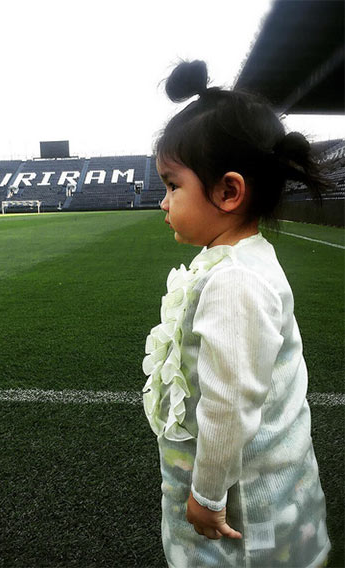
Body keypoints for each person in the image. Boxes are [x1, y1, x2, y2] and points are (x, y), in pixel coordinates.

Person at [142, 60, 334, 568]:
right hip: (267, 489)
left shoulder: (235, 283)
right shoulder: (242, 261)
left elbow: (228, 404)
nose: (163, 202)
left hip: (244, 511)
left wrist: (206, 496)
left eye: (172, 185)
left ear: (228, 191)